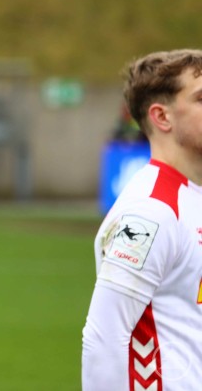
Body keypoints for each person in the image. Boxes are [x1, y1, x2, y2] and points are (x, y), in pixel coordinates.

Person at [82, 49, 202, 390]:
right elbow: (104, 338)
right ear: (162, 117)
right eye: (201, 98)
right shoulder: (150, 212)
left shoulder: (191, 197)